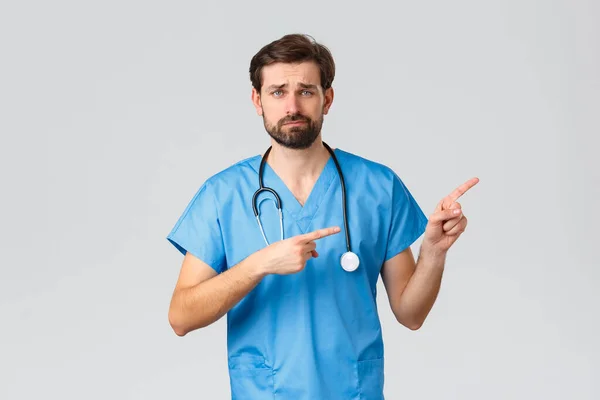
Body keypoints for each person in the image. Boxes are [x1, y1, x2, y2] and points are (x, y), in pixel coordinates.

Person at [166, 33, 478, 399]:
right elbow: (181, 317)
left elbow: (411, 314)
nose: (292, 106)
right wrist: (259, 265)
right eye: (278, 92)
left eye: (306, 91)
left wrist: (433, 253)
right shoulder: (223, 195)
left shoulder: (377, 186)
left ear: (327, 99)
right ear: (257, 100)